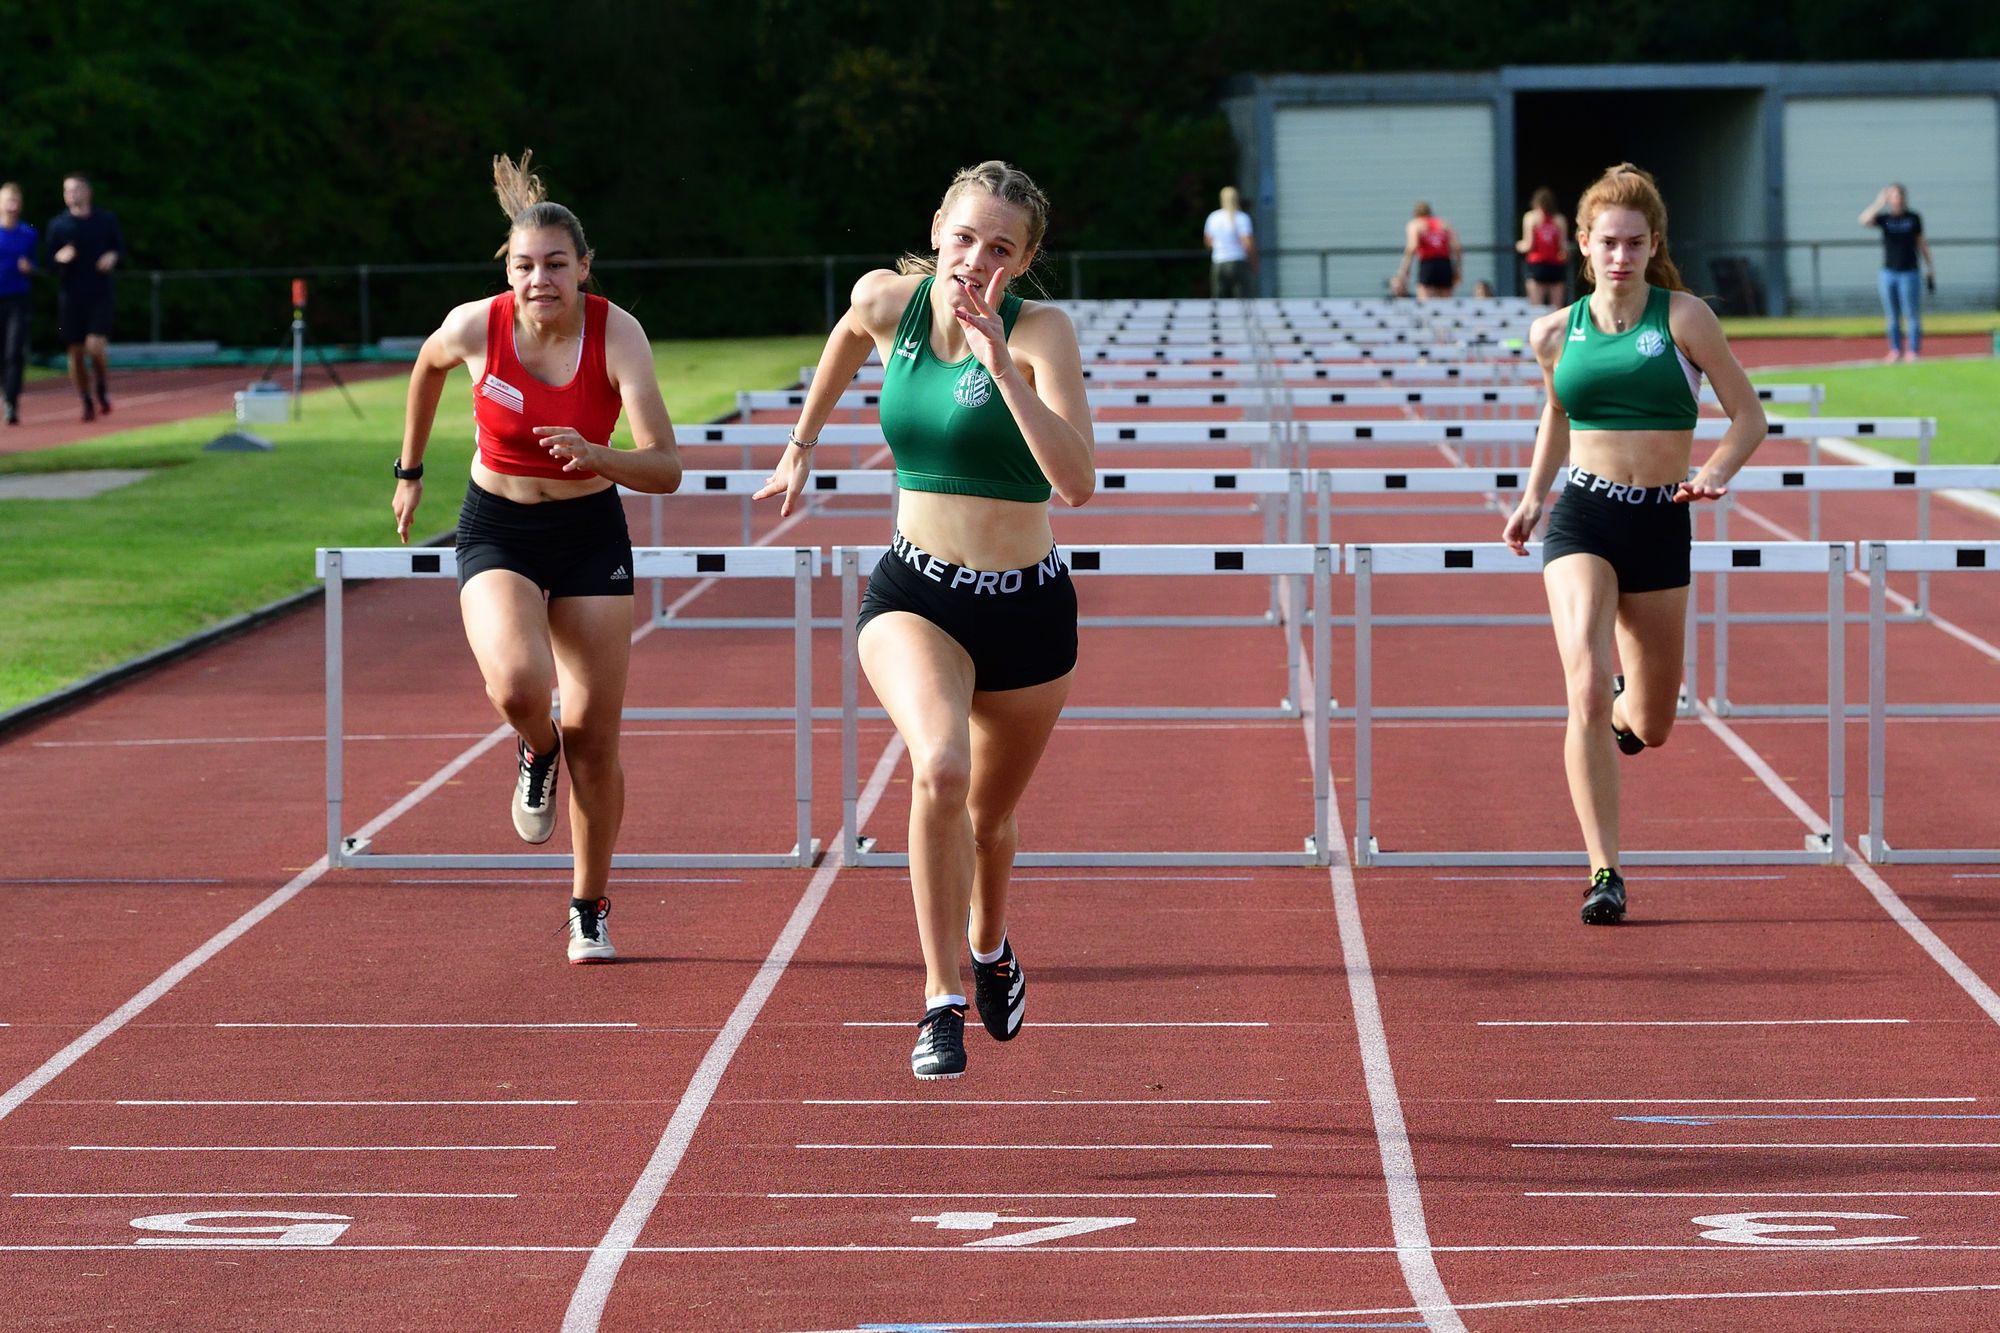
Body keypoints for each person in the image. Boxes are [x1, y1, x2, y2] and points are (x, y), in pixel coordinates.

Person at [756, 161, 1094, 1080]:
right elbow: (843, 336)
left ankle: (989, 942)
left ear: (1023, 261)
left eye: (1000, 249)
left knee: (989, 820)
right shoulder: (887, 301)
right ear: (938, 229)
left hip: (1028, 609)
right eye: (965, 237)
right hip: (917, 593)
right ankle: (941, 999)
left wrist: (1001, 365)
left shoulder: (1043, 332)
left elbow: (1076, 482)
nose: (976, 260)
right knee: (940, 765)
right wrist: (801, 444)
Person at [391, 151, 682, 963]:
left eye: (556, 264)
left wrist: (599, 454)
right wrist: (409, 471)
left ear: (584, 267)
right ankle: (535, 746)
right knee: (518, 686)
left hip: (590, 531)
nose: (539, 279)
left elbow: (665, 466)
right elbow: (426, 367)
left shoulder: (616, 334)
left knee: (595, 735)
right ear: (508, 270)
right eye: (524, 265)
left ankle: (588, 905)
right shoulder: (474, 326)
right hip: (499, 526)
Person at [1501, 163, 1767, 926]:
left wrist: (1713, 472)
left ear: (1654, 246)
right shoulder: (1554, 332)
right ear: (1583, 245)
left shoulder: (1684, 319)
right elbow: (1558, 413)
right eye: (1608, 242)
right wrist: (1533, 496)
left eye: (1635, 243)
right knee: (1583, 684)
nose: (1621, 256)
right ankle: (1604, 869)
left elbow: (1749, 417)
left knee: (1652, 723)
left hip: (1660, 520)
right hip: (1584, 517)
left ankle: (1625, 715)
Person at [43, 174, 124, 421]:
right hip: (71, 295)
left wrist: (112, 257)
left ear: (87, 191)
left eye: (76, 189)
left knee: (95, 345)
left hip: (100, 292)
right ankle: (85, 399)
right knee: (76, 352)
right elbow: (48, 264)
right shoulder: (58, 225)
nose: (71, 194)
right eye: (66, 190)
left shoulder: (105, 220)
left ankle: (101, 385)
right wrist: (60, 258)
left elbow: (120, 248)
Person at [1859, 184, 1934, 363]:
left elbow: (1921, 242)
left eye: (1898, 195)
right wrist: (1879, 203)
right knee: (1892, 315)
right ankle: (1895, 350)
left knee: (1911, 314)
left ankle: (1913, 351)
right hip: (1889, 272)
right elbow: (1863, 220)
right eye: (1892, 196)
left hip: (1909, 272)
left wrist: (1930, 268)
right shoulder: (1885, 219)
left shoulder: (1913, 218)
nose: (1896, 199)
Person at [0, 183, 35, 426]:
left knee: (14, 351)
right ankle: (5, 392)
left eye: (16, 201)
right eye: (8, 201)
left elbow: (34, 263)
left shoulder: (28, 234)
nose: (12, 206)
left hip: (18, 299)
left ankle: (11, 401)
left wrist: (29, 268)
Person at [1391, 202, 1460, 300]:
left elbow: (1412, 247)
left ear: (1415, 214)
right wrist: (1457, 270)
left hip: (1428, 263)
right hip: (1445, 263)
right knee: (1445, 302)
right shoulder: (1444, 223)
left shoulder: (1415, 224)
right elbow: (1457, 247)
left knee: (1425, 301)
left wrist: (1404, 270)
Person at [1517, 186, 1570, 307]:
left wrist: (1518, 246)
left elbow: (1528, 245)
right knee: (1557, 308)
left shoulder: (1531, 217)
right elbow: (1563, 247)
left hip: (1537, 265)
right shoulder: (1559, 219)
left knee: (1536, 307)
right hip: (1556, 265)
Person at [1203, 186, 1257, 299]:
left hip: (1219, 261)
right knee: (1242, 298)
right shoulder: (1242, 218)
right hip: (1238, 260)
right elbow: (1248, 244)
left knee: (1219, 298)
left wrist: (1220, 246)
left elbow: (1208, 242)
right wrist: (1254, 262)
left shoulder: (1214, 217)